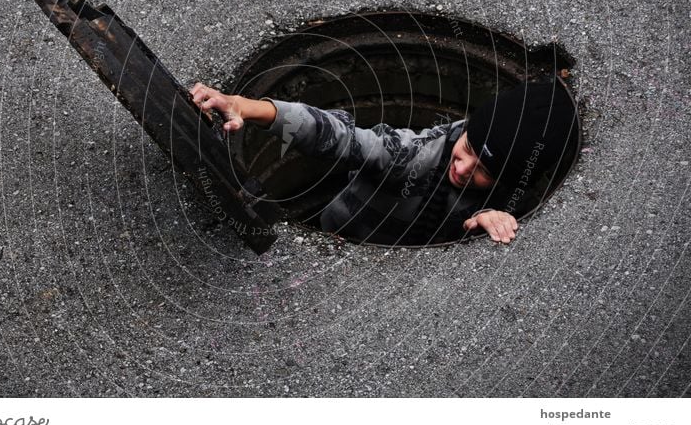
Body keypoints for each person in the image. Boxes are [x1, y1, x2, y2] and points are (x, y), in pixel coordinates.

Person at [190, 80, 578, 245]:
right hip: (340, 241)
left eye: (482, 172)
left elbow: (514, 216)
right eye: (467, 148)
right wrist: (249, 107)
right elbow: (336, 135)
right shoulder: (413, 156)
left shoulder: (519, 190)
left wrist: (486, 221)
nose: (461, 168)